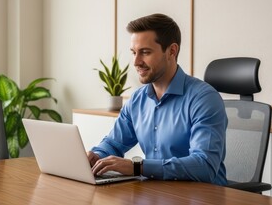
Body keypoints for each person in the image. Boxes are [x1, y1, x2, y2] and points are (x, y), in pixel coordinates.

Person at [87, 13, 228, 186]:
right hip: (157, 193)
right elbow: (114, 143)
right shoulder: (137, 100)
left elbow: (204, 166)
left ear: (172, 51)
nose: (136, 62)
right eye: (134, 53)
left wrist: (137, 167)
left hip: (203, 196)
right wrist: (96, 155)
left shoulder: (204, 99)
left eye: (145, 52)